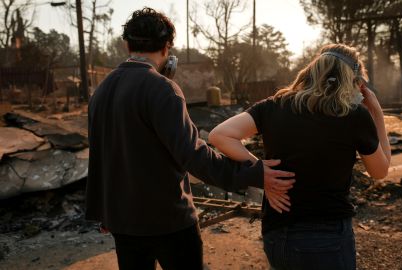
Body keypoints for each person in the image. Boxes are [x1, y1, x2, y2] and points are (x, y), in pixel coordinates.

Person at [85, 8, 295, 270]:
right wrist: (254, 173)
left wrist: (103, 211)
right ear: (167, 48)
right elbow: (195, 156)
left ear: (127, 44)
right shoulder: (162, 88)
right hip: (169, 221)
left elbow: (100, 157)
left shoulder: (100, 92)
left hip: (123, 223)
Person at [208, 43, 391, 270]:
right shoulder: (354, 116)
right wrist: (377, 114)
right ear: (354, 82)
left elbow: (220, 135)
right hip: (327, 238)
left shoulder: (274, 105)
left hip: (276, 233)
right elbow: (380, 171)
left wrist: (261, 170)